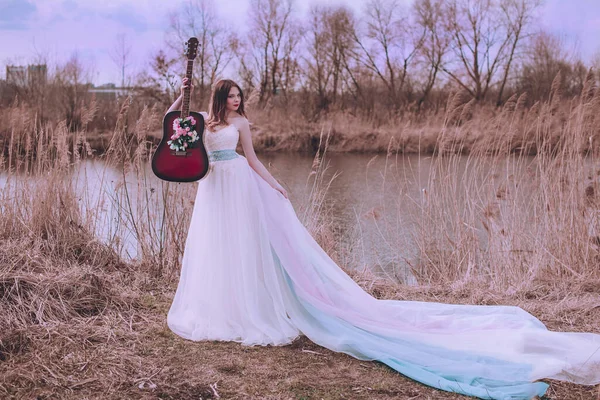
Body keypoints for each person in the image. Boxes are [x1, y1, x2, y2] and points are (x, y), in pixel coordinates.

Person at [166, 78, 600, 400]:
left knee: (243, 247)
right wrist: (182, 96)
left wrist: (276, 184)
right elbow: (171, 122)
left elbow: (253, 159)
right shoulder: (202, 120)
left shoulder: (241, 123)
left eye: (240, 96)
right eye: (232, 96)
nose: (237, 101)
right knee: (214, 248)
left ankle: (251, 307)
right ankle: (219, 306)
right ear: (219, 98)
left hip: (240, 184)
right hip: (212, 188)